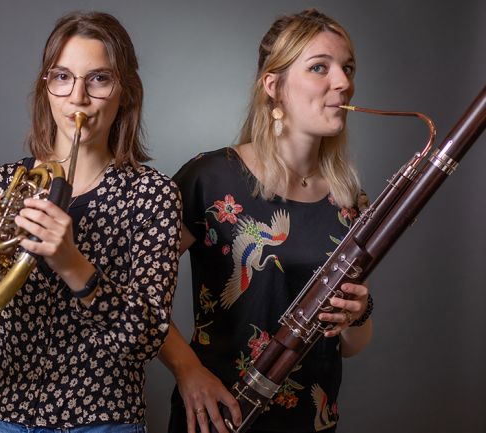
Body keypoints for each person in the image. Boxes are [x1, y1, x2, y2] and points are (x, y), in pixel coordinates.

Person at [0, 11, 182, 433]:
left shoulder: (153, 195)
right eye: (62, 77)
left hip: (104, 421)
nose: (77, 97)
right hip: (4, 417)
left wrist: (72, 264)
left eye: (98, 79)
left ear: (126, 92)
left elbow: (146, 338)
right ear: (46, 88)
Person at [160, 9, 373, 433]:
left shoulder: (348, 199)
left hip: (312, 422)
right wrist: (188, 371)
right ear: (273, 86)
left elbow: (350, 346)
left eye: (347, 68)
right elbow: (137, 296)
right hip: (217, 418)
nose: (344, 82)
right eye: (319, 68)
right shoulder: (209, 178)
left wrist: (360, 314)